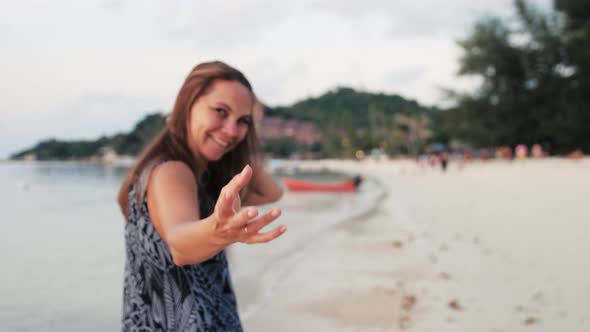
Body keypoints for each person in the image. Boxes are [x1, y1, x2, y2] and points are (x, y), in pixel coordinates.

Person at [117, 61, 286, 331]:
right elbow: (180, 243)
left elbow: (272, 192)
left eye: (243, 121)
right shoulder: (171, 171)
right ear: (188, 104)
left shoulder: (202, 176)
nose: (232, 130)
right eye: (221, 111)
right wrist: (219, 230)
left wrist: (240, 145)